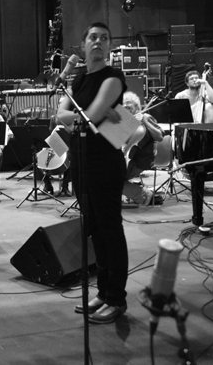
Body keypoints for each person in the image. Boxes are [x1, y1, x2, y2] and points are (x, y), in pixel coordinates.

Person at [55, 22, 128, 324]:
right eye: (93, 38)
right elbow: (60, 116)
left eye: (104, 38)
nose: (98, 42)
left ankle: (117, 298)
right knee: (95, 230)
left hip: (105, 162)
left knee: (110, 230)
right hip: (82, 161)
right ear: (83, 45)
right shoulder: (80, 77)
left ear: (109, 46)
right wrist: (85, 116)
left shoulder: (113, 78)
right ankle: (103, 291)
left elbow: (91, 116)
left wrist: (86, 116)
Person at [121, 91, 164, 206]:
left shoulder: (146, 117)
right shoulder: (124, 120)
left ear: (136, 106)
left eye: (129, 103)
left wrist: (144, 121)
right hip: (127, 158)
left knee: (110, 177)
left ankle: (144, 195)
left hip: (139, 160)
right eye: (124, 104)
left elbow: (160, 136)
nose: (126, 106)